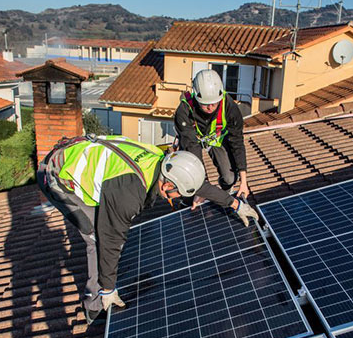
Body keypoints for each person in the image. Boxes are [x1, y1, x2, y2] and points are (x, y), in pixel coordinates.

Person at [37, 134, 259, 324]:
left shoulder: (166, 163)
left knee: (109, 228)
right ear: (166, 186)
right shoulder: (129, 195)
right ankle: (95, 305)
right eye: (178, 195)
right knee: (97, 237)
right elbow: (111, 239)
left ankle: (103, 286)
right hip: (57, 173)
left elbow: (195, 184)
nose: (180, 199)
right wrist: (108, 286)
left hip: (82, 157)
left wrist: (235, 204)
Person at [174, 69, 249, 203]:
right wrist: (201, 188)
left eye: (214, 104)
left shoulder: (229, 107)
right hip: (192, 141)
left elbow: (237, 142)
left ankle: (223, 192)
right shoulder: (184, 111)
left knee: (229, 178)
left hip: (216, 140)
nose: (210, 108)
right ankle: (190, 198)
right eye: (205, 104)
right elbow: (192, 148)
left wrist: (244, 181)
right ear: (196, 97)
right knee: (189, 180)